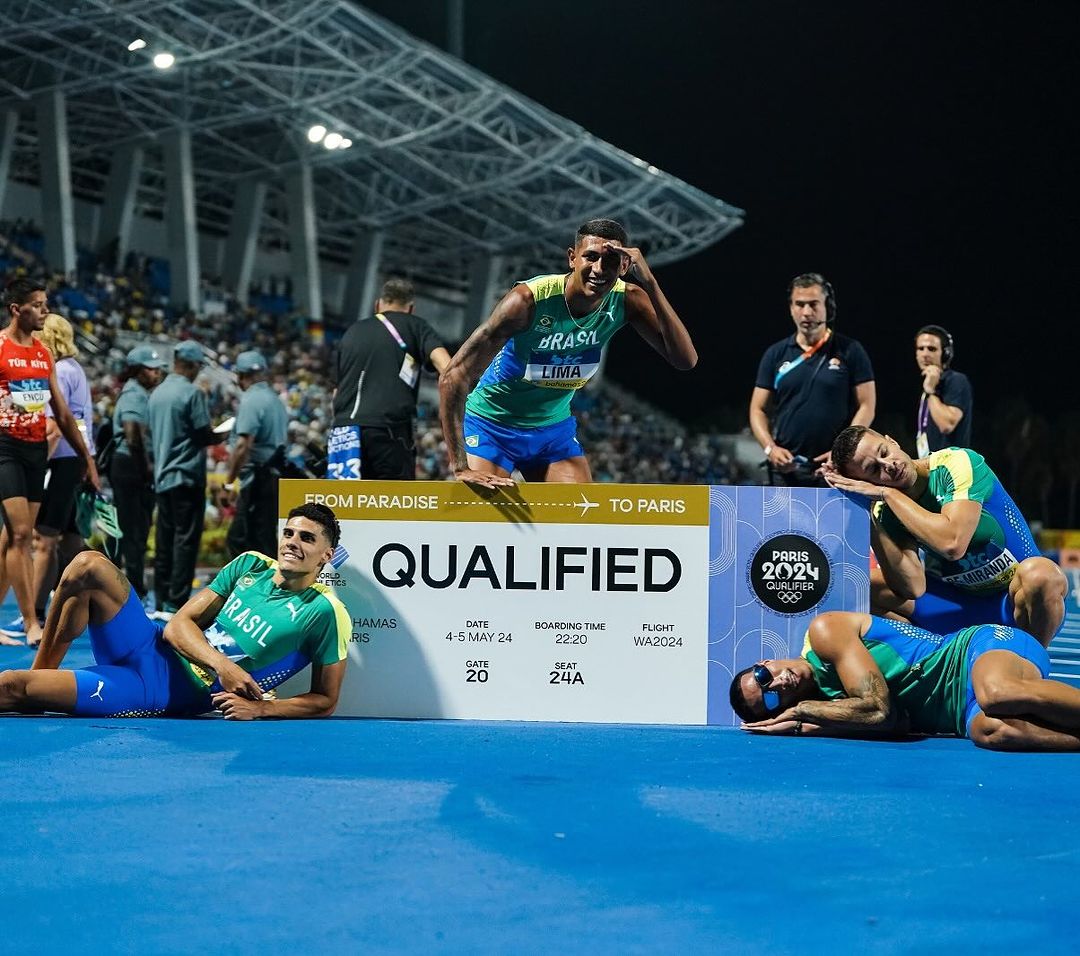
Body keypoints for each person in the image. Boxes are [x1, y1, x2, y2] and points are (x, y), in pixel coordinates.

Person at [0, 502, 350, 719]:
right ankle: (41, 674)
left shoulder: (325, 612)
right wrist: (223, 665)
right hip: (148, 644)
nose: (292, 542)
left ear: (326, 555)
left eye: (307, 538)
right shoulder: (250, 565)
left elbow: (325, 700)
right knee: (87, 563)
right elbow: (177, 625)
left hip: (156, 688)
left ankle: (33, 688)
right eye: (289, 532)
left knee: (12, 685)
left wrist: (261, 708)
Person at [439, 218, 697, 487]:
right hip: (492, 424)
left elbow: (685, 360)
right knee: (484, 512)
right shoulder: (527, 301)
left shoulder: (628, 299)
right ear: (572, 258)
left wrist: (651, 282)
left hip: (552, 432)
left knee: (577, 518)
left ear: (624, 266)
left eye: (610, 261)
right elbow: (454, 375)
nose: (599, 269)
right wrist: (460, 467)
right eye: (590, 257)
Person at [825, 425, 1066, 644]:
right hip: (960, 608)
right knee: (856, 584)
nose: (889, 465)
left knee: (1041, 574)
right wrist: (866, 513)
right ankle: (930, 655)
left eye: (884, 452)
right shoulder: (886, 512)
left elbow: (952, 544)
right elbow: (912, 587)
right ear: (864, 483)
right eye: (874, 469)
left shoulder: (956, 463)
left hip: (1018, 605)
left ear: (892, 441)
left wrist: (888, 493)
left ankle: (1032, 656)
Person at [730, 610, 1080, 751]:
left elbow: (879, 710)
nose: (776, 684)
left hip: (978, 651)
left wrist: (804, 710)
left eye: (763, 676)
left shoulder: (823, 632)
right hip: (963, 711)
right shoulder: (831, 707)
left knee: (997, 693)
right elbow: (898, 722)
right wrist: (808, 722)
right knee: (991, 731)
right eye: (772, 700)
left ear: (767, 661)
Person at [0, 279, 99, 648]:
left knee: (12, 536)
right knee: (24, 534)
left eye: (45, 304)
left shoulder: (43, 354)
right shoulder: (0, 346)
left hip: (36, 451)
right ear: (17, 309)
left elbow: (62, 412)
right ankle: (30, 622)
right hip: (5, 446)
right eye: (38, 305)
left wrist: (88, 460)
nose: (45, 311)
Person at [749, 273, 875, 486]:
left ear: (829, 307)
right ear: (791, 308)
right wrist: (770, 448)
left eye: (814, 304)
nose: (806, 312)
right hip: (785, 470)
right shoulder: (775, 354)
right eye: (800, 304)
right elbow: (757, 409)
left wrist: (843, 451)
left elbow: (867, 405)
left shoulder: (851, 350)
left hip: (835, 469)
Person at [328, 277, 451, 480]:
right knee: (391, 506)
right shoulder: (416, 326)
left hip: (344, 433)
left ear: (377, 305)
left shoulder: (352, 332)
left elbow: (336, 392)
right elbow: (447, 367)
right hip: (388, 430)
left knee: (342, 505)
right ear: (411, 308)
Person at [147, 340, 225, 619]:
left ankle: (160, 600)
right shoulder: (193, 394)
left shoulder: (156, 393)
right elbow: (204, 435)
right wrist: (225, 433)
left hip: (163, 476)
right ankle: (175, 603)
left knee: (165, 540)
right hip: (187, 476)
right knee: (185, 541)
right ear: (190, 364)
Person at [109, 344, 167, 602]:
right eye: (150, 369)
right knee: (134, 531)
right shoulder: (134, 394)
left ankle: (132, 589)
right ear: (136, 370)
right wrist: (147, 471)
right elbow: (133, 435)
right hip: (131, 466)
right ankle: (134, 592)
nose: (156, 373)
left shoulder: (139, 393)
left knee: (136, 530)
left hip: (130, 465)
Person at [224, 350, 288, 558]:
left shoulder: (252, 399)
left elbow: (243, 446)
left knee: (241, 539)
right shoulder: (275, 400)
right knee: (263, 538)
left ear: (240, 376)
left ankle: (255, 589)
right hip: (274, 476)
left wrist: (228, 482)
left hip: (259, 478)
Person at [914, 324, 972, 456]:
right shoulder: (929, 385)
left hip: (954, 470)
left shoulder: (956, 380)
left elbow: (947, 424)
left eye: (932, 349)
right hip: (934, 469)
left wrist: (930, 391)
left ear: (945, 354)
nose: (925, 354)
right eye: (920, 348)